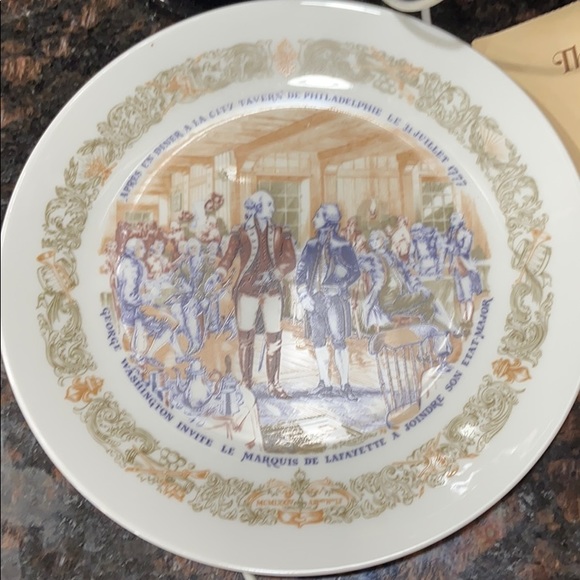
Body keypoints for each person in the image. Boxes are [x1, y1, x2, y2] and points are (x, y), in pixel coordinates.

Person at [205, 191, 296, 398]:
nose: (273, 208)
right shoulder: (241, 232)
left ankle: (274, 384)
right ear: (257, 208)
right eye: (269, 204)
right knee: (245, 338)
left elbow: (290, 259)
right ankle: (246, 382)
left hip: (272, 290)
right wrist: (219, 274)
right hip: (247, 289)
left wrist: (275, 273)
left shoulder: (281, 232)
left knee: (274, 337)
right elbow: (228, 256)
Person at [295, 204, 361, 400]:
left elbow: (355, 271)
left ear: (329, 221)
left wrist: (342, 283)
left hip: (335, 299)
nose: (314, 220)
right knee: (318, 341)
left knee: (339, 341)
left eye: (318, 216)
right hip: (314, 300)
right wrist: (303, 295)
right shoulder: (311, 245)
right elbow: (300, 273)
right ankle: (324, 383)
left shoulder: (343, 246)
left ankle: (345, 385)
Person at [445, 212, 483, 324]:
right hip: (456, 269)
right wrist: (451, 263)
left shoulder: (467, 234)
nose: (452, 222)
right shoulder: (451, 235)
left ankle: (468, 319)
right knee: (460, 297)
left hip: (465, 267)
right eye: (451, 219)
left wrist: (453, 248)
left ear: (460, 221)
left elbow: (465, 250)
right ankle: (463, 319)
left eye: (454, 219)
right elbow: (450, 253)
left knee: (468, 296)